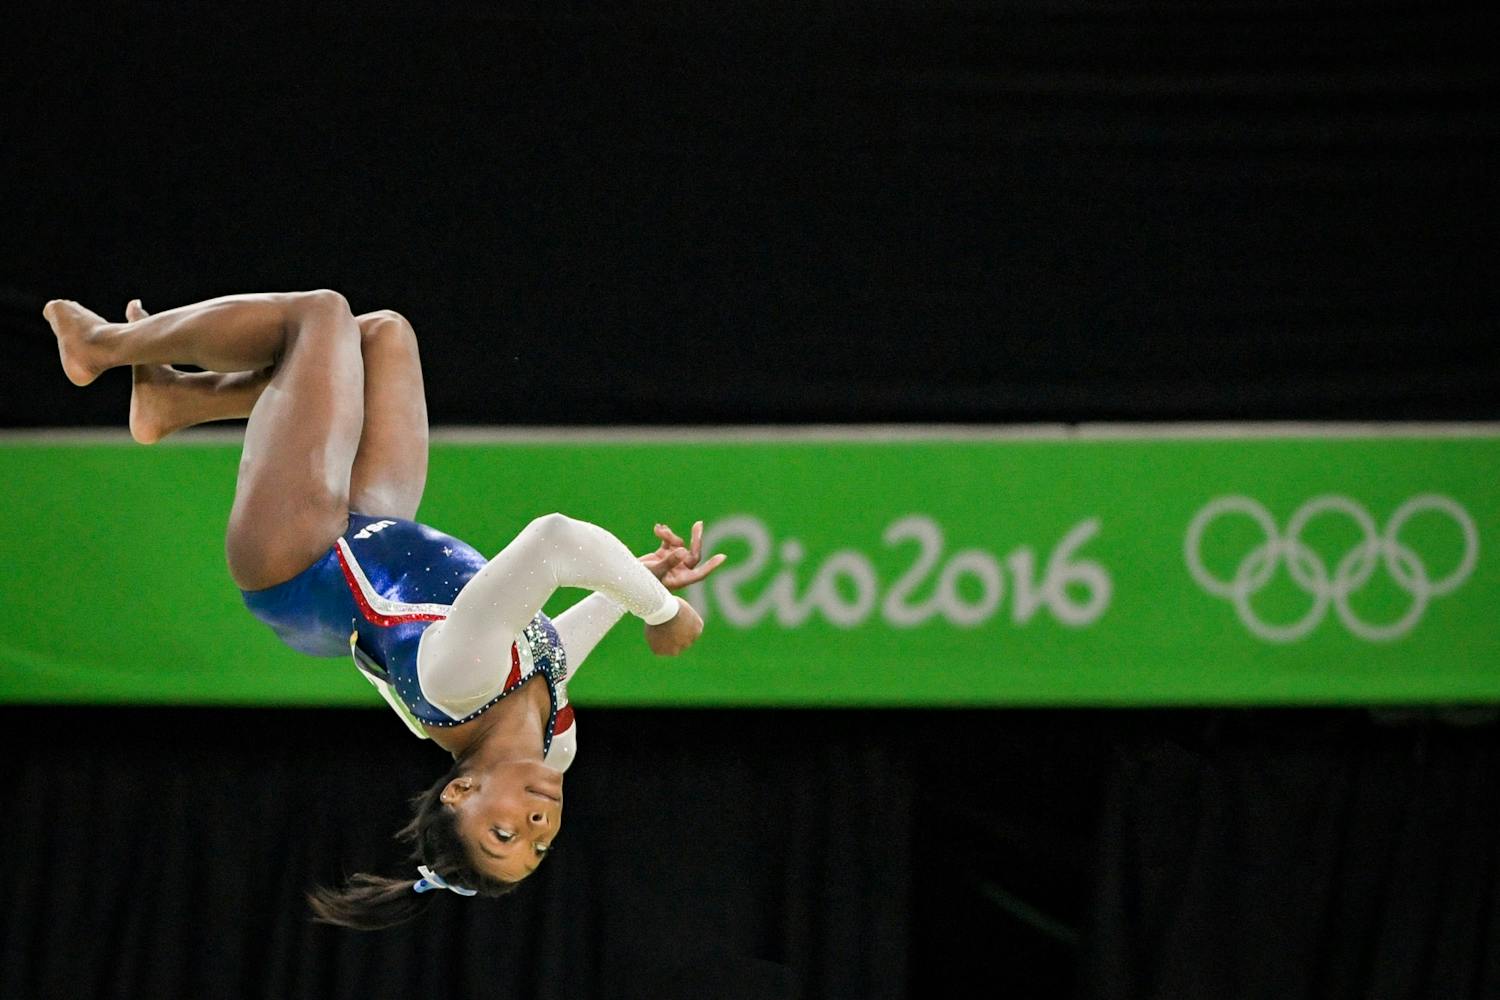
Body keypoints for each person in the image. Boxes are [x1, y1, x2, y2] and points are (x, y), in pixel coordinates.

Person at [43, 291, 727, 929]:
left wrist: (660, 611)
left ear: (460, 794)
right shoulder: (557, 746)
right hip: (375, 526)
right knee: (381, 339)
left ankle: (100, 347)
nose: (535, 827)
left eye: (503, 834)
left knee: (320, 318)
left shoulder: (456, 683)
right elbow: (546, 646)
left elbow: (555, 541)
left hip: (296, 560)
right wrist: (631, 587)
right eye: (537, 848)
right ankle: (175, 402)